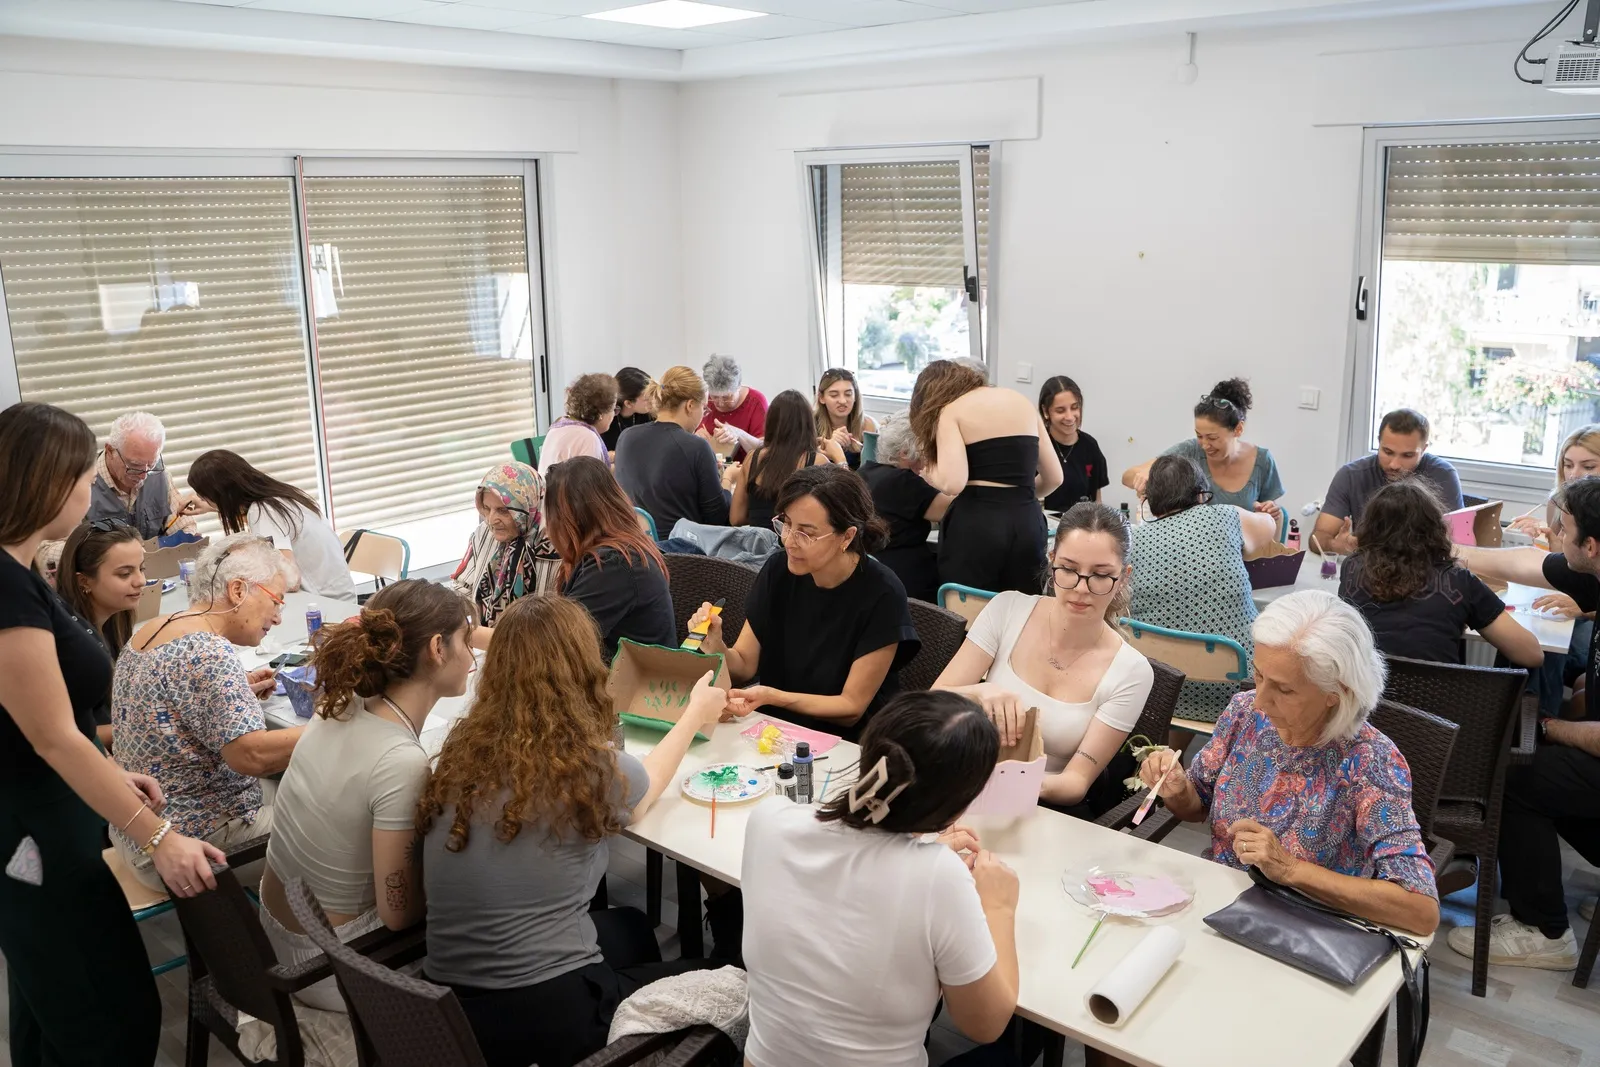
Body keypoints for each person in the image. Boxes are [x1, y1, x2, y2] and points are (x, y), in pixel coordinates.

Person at [0, 402, 221, 1067]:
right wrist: (161, 835)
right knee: (109, 1015)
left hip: (45, 815)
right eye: (78, 476)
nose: (85, 489)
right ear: (46, 482)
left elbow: (44, 718)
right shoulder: (6, 590)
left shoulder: (22, 575)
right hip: (32, 835)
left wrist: (110, 767)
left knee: (49, 1009)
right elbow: (51, 737)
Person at [418, 594, 728, 1067]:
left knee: (630, 926)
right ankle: (622, 1042)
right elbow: (645, 792)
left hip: (455, 1006)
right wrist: (694, 711)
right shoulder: (586, 766)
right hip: (547, 1015)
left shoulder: (462, 748)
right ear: (583, 667)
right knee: (725, 981)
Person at [741, 690, 1020, 1067]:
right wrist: (999, 906)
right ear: (958, 807)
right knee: (1015, 1045)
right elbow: (985, 1025)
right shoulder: (939, 877)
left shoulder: (770, 820)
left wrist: (919, 844)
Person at [1138, 590, 1440, 937]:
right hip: (1219, 910)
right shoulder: (1244, 713)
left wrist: (1289, 868)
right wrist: (1177, 790)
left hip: (1308, 929)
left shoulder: (1370, 761)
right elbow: (1197, 805)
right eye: (1259, 675)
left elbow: (1421, 910)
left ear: (1337, 693)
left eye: (1284, 689)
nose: (1261, 700)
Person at [259, 579, 473, 1009]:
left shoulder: (336, 706)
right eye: (467, 641)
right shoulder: (400, 763)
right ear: (437, 648)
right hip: (336, 967)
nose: (471, 659)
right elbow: (398, 915)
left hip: (280, 936)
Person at [1448, 475, 1600, 967]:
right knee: (1523, 744)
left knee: (1515, 769)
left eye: (1565, 526)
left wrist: (1552, 728)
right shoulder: (1593, 565)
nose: (1556, 532)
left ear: (1591, 545)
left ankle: (1546, 931)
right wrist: (1448, 550)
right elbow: (1526, 563)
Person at [934, 503, 1155, 815]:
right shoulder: (1007, 610)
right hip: (962, 784)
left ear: (1122, 577)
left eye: (1100, 575)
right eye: (1068, 569)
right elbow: (932, 702)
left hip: (1042, 807)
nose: (1081, 588)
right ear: (1052, 561)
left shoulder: (1132, 671)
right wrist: (978, 691)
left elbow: (1076, 781)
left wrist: (1008, 783)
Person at [110, 533, 302, 891]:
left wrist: (235, 691)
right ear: (239, 591)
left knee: (307, 789)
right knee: (341, 822)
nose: (277, 618)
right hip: (186, 843)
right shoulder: (209, 652)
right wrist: (331, 729)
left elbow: (171, 705)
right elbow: (252, 756)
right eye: (277, 602)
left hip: (135, 829)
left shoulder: (154, 629)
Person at [690, 465, 919, 741]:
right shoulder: (779, 570)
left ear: (847, 537)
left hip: (850, 743)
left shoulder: (882, 592)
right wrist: (715, 645)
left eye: (806, 533)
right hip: (777, 730)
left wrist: (774, 696)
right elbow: (744, 666)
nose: (789, 541)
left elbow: (851, 707)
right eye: (786, 524)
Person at [1130, 456, 1278, 725]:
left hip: (1162, 691)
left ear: (1149, 501)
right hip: (1240, 692)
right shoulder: (1226, 517)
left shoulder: (1133, 540)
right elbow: (1268, 526)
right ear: (1201, 494)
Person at [1338, 480, 1542, 668]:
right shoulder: (1458, 582)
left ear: (1369, 527)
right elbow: (1532, 655)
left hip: (1367, 701)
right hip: (1436, 704)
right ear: (1436, 528)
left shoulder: (1352, 569)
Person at [909, 359, 1063, 595]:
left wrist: (930, 473)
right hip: (1028, 521)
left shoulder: (950, 410)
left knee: (969, 610)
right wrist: (1021, 496)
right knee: (1023, 612)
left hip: (977, 523)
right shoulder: (1021, 402)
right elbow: (1054, 478)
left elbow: (953, 482)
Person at [183, 448, 357, 601]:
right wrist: (211, 507)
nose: (202, 500)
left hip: (325, 603)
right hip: (340, 595)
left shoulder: (263, 512)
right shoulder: (280, 496)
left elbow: (290, 578)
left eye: (204, 496)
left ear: (221, 494)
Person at [1510, 424, 1600, 719]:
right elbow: (1562, 565)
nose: (1575, 475)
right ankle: (1521, 718)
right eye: (1568, 464)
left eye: (1589, 466)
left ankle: (1538, 721)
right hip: (1574, 601)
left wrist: (1583, 608)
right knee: (1525, 630)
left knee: (1544, 643)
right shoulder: (1559, 501)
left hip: (1589, 616)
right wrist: (1542, 540)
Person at [545, 457, 674, 660]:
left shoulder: (612, 565)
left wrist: (477, 635)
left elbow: (557, 645)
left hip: (631, 686)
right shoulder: (622, 550)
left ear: (568, 518)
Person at [1122, 378, 1285, 523]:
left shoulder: (1262, 461)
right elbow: (1127, 476)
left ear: (1238, 429)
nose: (1205, 445)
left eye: (1213, 438)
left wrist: (1269, 511)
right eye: (1199, 435)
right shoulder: (1190, 451)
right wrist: (1143, 476)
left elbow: (1272, 517)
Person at [1313, 408, 1463, 555]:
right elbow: (1318, 538)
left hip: (1424, 571)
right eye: (1387, 452)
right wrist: (1335, 545)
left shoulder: (1443, 475)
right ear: (1379, 442)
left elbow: (1459, 544)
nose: (1394, 465)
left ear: (1423, 449)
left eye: (1407, 455)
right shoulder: (1351, 475)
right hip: (1369, 570)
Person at [55, 518, 147, 748]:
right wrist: (146, 724)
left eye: (141, 568)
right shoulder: (68, 647)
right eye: (124, 574)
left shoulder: (117, 620)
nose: (141, 581)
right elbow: (70, 735)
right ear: (84, 581)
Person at [452, 461, 559, 649]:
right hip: (483, 645)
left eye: (503, 510)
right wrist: (460, 622)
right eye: (487, 508)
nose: (492, 520)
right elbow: (462, 587)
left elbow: (557, 625)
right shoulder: (484, 534)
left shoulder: (555, 547)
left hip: (538, 652)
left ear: (529, 505)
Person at [614, 365, 729, 536]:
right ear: (690, 405)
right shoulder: (696, 446)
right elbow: (718, 518)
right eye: (704, 408)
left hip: (636, 546)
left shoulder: (626, 437)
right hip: (681, 553)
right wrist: (728, 479)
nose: (703, 415)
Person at [860, 412, 951, 603]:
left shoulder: (865, 471)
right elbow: (950, 509)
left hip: (871, 573)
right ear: (905, 453)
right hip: (908, 585)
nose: (926, 458)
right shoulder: (904, 482)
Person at [732, 389, 844, 529]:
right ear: (808, 424)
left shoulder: (752, 458)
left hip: (757, 545)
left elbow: (736, 518)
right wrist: (840, 458)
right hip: (796, 546)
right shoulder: (817, 462)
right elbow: (845, 506)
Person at [85, 410, 198, 540]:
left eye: (151, 464)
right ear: (110, 451)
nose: (144, 476)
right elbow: (59, 544)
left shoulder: (160, 475)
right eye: (135, 466)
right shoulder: (80, 483)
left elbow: (185, 525)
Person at [1038, 375, 1110, 511]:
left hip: (1080, 526)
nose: (1070, 417)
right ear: (1046, 411)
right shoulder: (1036, 447)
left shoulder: (1090, 446)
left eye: (1074, 408)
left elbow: (1097, 501)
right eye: (1060, 410)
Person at [541, 373, 618, 474]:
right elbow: (592, 484)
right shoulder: (588, 438)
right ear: (600, 414)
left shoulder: (559, 426)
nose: (614, 415)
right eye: (613, 409)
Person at [696, 354, 767, 462]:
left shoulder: (756, 402)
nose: (720, 403)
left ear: (738, 387)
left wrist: (738, 434)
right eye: (714, 397)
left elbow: (765, 452)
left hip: (744, 472)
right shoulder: (704, 400)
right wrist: (695, 437)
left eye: (726, 397)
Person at [814, 367, 878, 471]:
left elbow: (870, 474)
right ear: (821, 398)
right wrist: (831, 449)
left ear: (855, 396)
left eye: (848, 394)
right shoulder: (810, 424)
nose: (843, 401)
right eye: (834, 395)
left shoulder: (867, 425)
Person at [601, 366, 659, 454]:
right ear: (628, 403)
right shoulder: (606, 421)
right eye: (647, 398)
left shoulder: (649, 413)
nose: (653, 400)